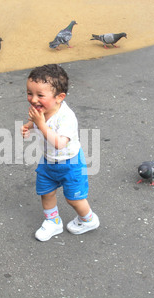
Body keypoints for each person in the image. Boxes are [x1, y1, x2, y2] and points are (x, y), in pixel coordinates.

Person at [21, 64, 100, 241]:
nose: (33, 100)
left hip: (70, 163)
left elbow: (60, 144)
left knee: (73, 199)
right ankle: (53, 222)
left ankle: (88, 220)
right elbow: (36, 122)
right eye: (29, 93)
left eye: (40, 95)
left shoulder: (66, 117)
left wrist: (39, 124)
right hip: (48, 162)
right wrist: (29, 126)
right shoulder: (41, 110)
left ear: (59, 97)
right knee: (46, 192)